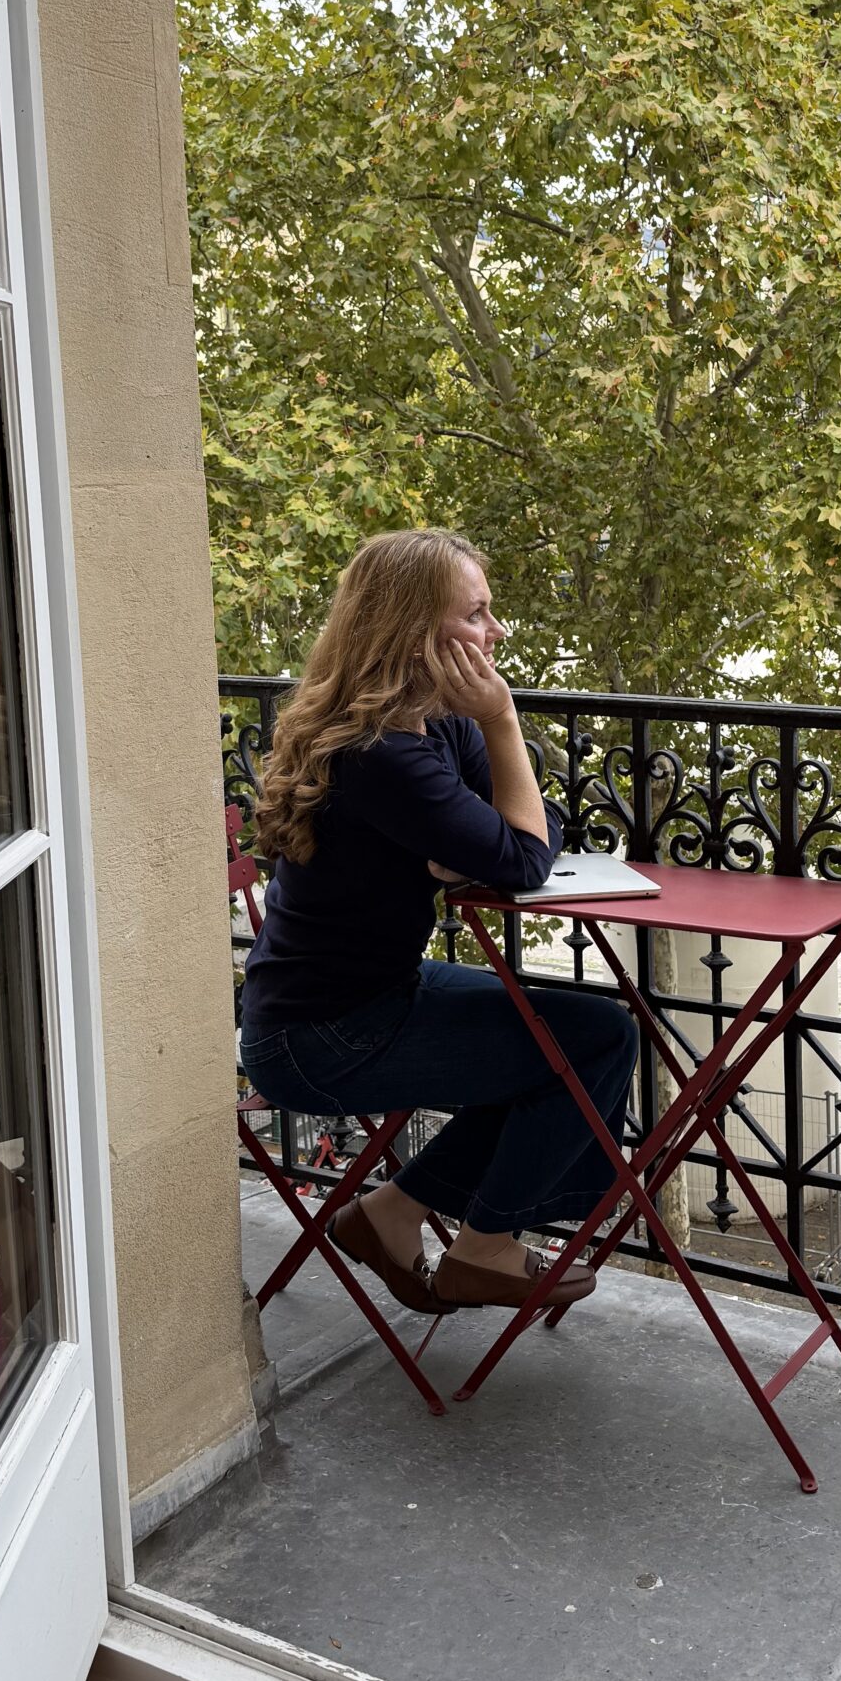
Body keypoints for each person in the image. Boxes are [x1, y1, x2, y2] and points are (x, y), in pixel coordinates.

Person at [239, 529, 640, 1312]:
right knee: (593, 1040)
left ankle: (393, 1211)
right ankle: (482, 1249)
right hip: (322, 1038)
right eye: (479, 615)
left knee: (558, 1035)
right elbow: (524, 857)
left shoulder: (428, 723)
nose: (497, 634)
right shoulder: (380, 751)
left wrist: (488, 834)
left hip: (367, 998)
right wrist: (504, 720)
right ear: (415, 631)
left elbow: (536, 822)